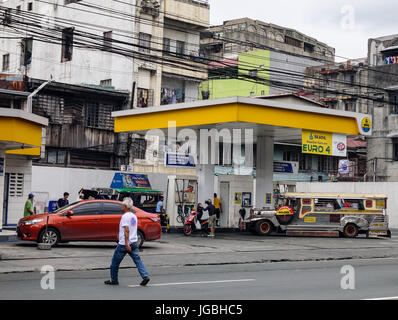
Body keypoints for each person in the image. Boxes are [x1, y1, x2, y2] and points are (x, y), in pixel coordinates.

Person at [105, 197, 150, 286]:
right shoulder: (134, 216)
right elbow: (132, 229)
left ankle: (113, 280)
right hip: (134, 242)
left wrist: (126, 243)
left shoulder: (125, 216)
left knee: (114, 263)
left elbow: (127, 230)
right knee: (138, 261)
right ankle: (145, 276)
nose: (121, 206)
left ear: (125, 206)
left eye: (122, 205)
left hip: (124, 244)